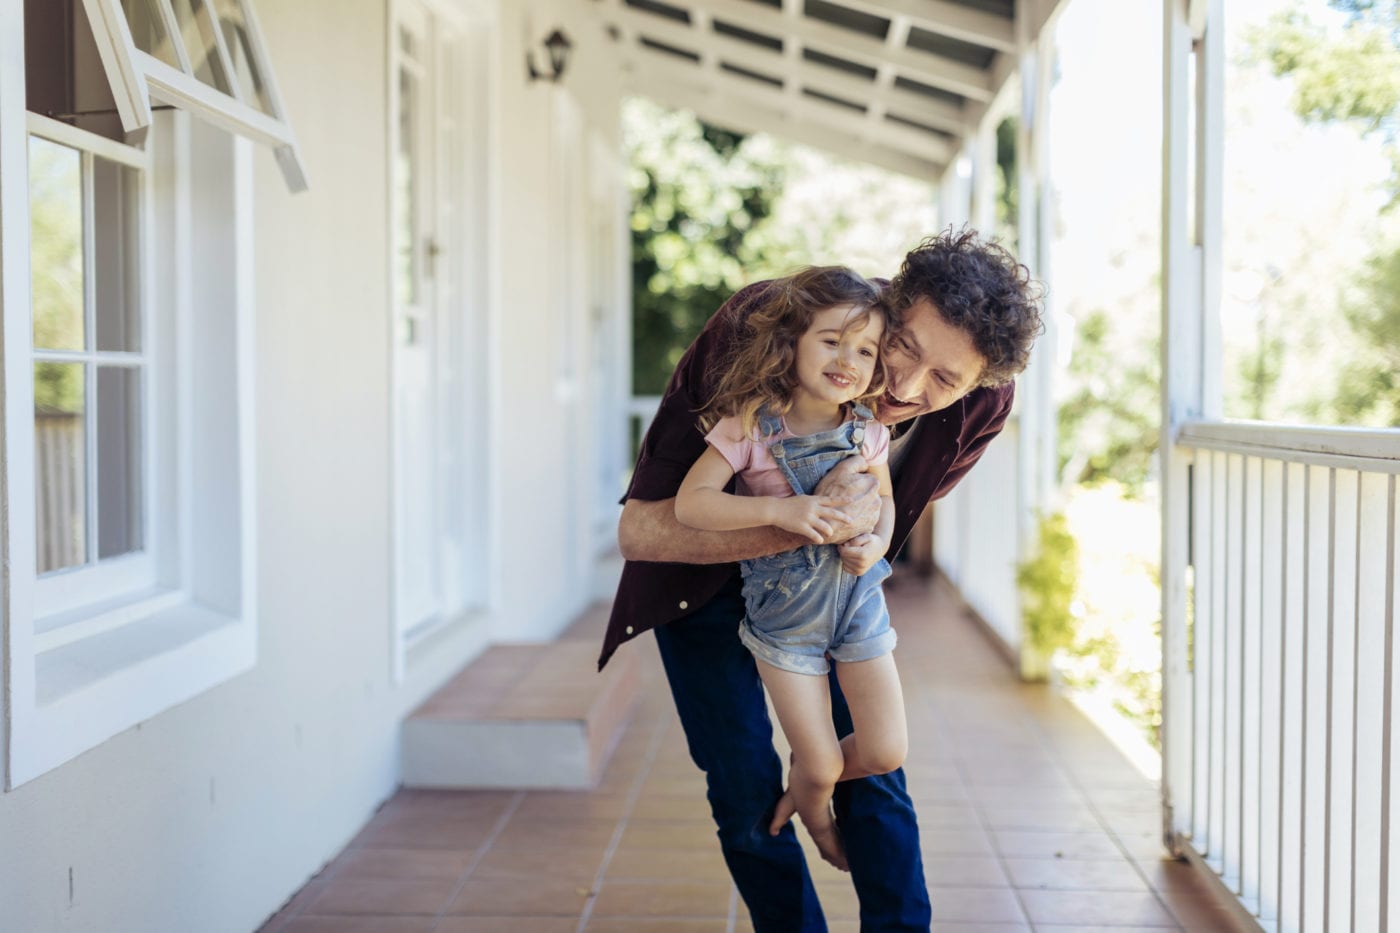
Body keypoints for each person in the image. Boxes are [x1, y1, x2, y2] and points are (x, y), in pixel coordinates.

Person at [598, 228, 1043, 932]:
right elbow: (641, 531)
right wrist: (799, 520)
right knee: (741, 785)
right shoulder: (764, 326)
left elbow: (890, 510)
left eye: (945, 380)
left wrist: (857, 517)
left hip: (830, 596)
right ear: (887, 304)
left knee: (876, 770)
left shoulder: (982, 402)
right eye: (902, 347)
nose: (904, 386)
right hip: (704, 585)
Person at [673, 265, 905, 873]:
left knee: (884, 750)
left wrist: (876, 544)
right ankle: (819, 819)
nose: (847, 359)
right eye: (831, 340)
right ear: (792, 342)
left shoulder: (869, 431)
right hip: (784, 620)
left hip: (859, 603)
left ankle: (805, 782)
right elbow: (691, 504)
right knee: (825, 765)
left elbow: (885, 504)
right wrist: (779, 509)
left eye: (865, 349)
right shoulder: (750, 424)